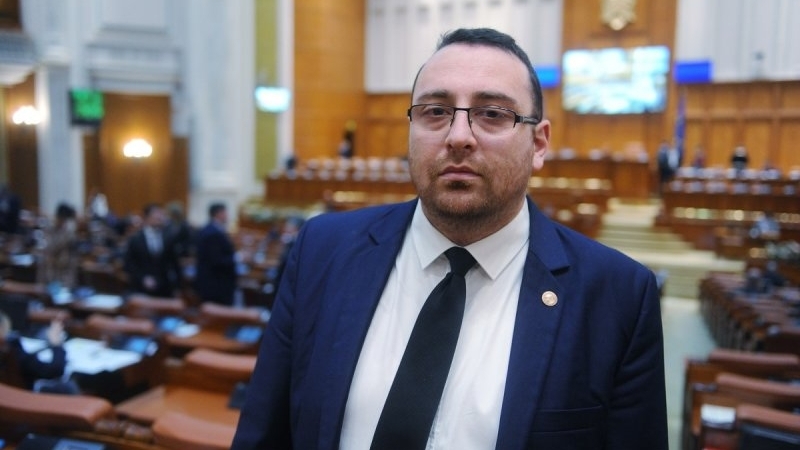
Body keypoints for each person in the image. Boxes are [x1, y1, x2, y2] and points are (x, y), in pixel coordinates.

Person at [232, 28, 667, 449]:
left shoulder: (618, 297)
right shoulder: (322, 252)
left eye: (492, 114)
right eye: (435, 112)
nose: (458, 137)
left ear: (538, 144)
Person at [0, 311, 72, 392]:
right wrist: (56, 343)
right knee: (69, 387)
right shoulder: (11, 353)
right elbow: (56, 370)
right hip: (23, 396)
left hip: (6, 394)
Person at [123, 203, 181, 298]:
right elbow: (129, 264)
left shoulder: (169, 237)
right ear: (147, 218)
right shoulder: (136, 239)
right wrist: (143, 278)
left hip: (165, 288)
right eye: (157, 214)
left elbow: (174, 263)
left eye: (162, 214)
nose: (160, 217)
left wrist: (178, 287)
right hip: (141, 288)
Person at [193, 202, 237, 305]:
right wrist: (238, 258)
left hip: (215, 282)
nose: (227, 215)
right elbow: (216, 260)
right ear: (218, 214)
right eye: (225, 212)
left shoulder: (212, 229)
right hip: (215, 283)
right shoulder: (212, 233)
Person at [37, 203, 80, 291]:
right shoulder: (49, 230)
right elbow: (47, 250)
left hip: (64, 276)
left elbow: (70, 263)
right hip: (48, 274)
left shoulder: (69, 234)